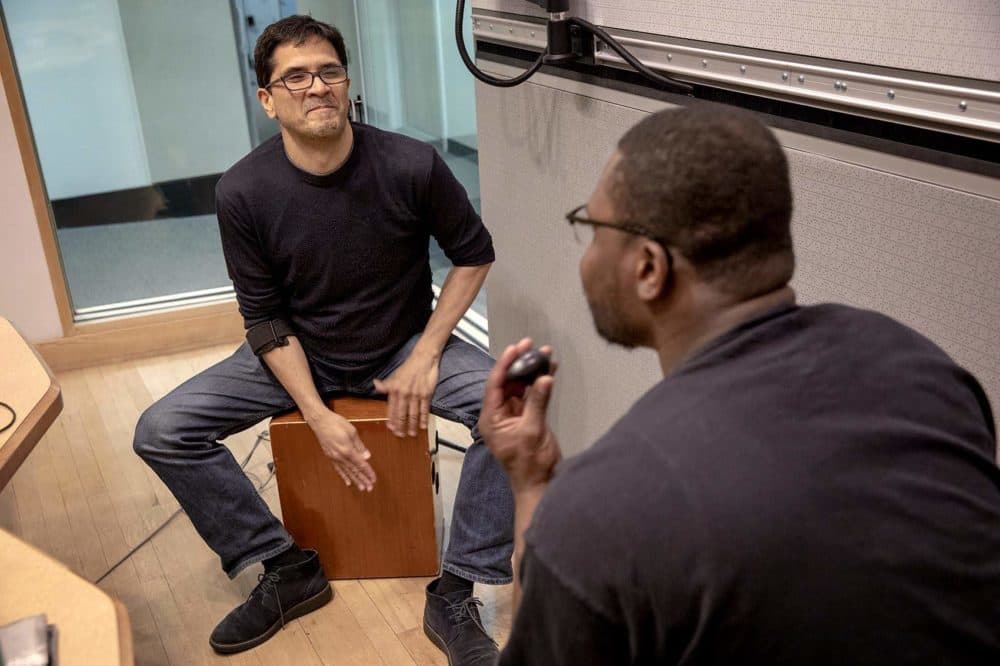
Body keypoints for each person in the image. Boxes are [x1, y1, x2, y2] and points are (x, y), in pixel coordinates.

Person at [479, 105, 1000, 664]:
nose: (585, 256)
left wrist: (534, 491)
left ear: (650, 268)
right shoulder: (925, 369)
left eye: (592, 228)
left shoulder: (601, 513)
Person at [133, 16, 508, 662]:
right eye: (296, 76)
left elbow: (473, 255)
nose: (317, 87)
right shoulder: (243, 192)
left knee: (509, 405)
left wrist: (425, 356)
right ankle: (283, 565)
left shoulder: (410, 164)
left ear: (347, 81)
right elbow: (265, 319)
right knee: (162, 430)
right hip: (296, 354)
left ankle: (455, 590)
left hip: (399, 345)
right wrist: (316, 413)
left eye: (329, 71)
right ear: (267, 98)